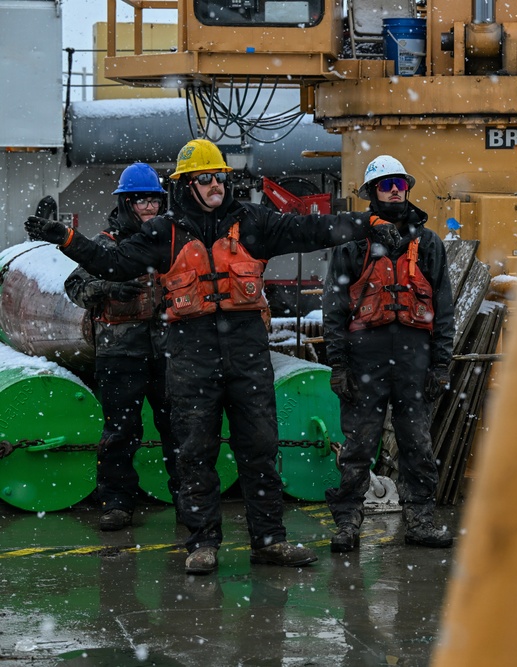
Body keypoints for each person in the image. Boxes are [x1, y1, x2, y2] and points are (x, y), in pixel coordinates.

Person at [26, 138, 401, 575]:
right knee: (194, 451)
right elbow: (111, 264)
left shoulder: (254, 224)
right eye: (204, 178)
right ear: (187, 185)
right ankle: (201, 542)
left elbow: (311, 229)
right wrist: (65, 238)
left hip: (246, 350)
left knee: (260, 447)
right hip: (190, 351)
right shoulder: (161, 234)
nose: (215, 185)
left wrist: (367, 223)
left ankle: (269, 541)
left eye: (219, 176)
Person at [323, 155, 456, 552]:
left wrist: (441, 364)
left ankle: (421, 520)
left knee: (417, 444)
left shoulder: (428, 244)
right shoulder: (353, 243)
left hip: (414, 362)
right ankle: (348, 523)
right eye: (386, 184)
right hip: (366, 359)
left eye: (400, 182)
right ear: (372, 193)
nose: (396, 189)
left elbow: (443, 308)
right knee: (359, 445)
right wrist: (339, 365)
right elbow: (334, 308)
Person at [64, 163, 178, 531]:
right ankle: (116, 503)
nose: (150, 208)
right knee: (120, 433)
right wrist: (109, 288)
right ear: (127, 203)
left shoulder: (171, 241)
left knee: (179, 429)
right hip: (119, 355)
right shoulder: (105, 246)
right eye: (142, 201)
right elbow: (75, 287)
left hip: (167, 353)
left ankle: (187, 498)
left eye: (155, 202)